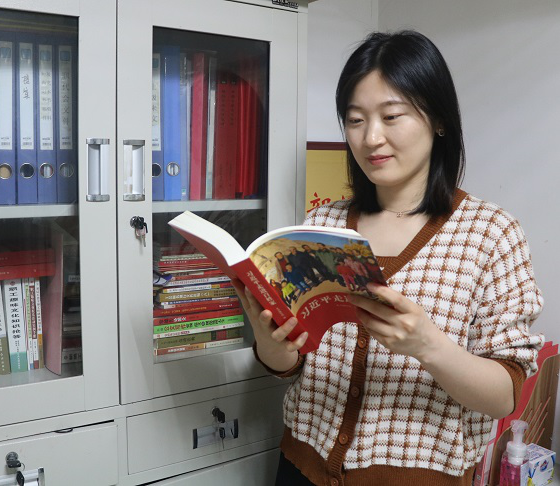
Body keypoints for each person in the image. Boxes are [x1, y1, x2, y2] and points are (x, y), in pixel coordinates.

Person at [232, 30, 544, 486]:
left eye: (391, 116)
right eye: (355, 120)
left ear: (438, 120)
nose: (371, 138)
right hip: (301, 468)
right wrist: (273, 345)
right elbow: (290, 367)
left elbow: (505, 396)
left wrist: (428, 345)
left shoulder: (491, 234)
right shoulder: (322, 225)